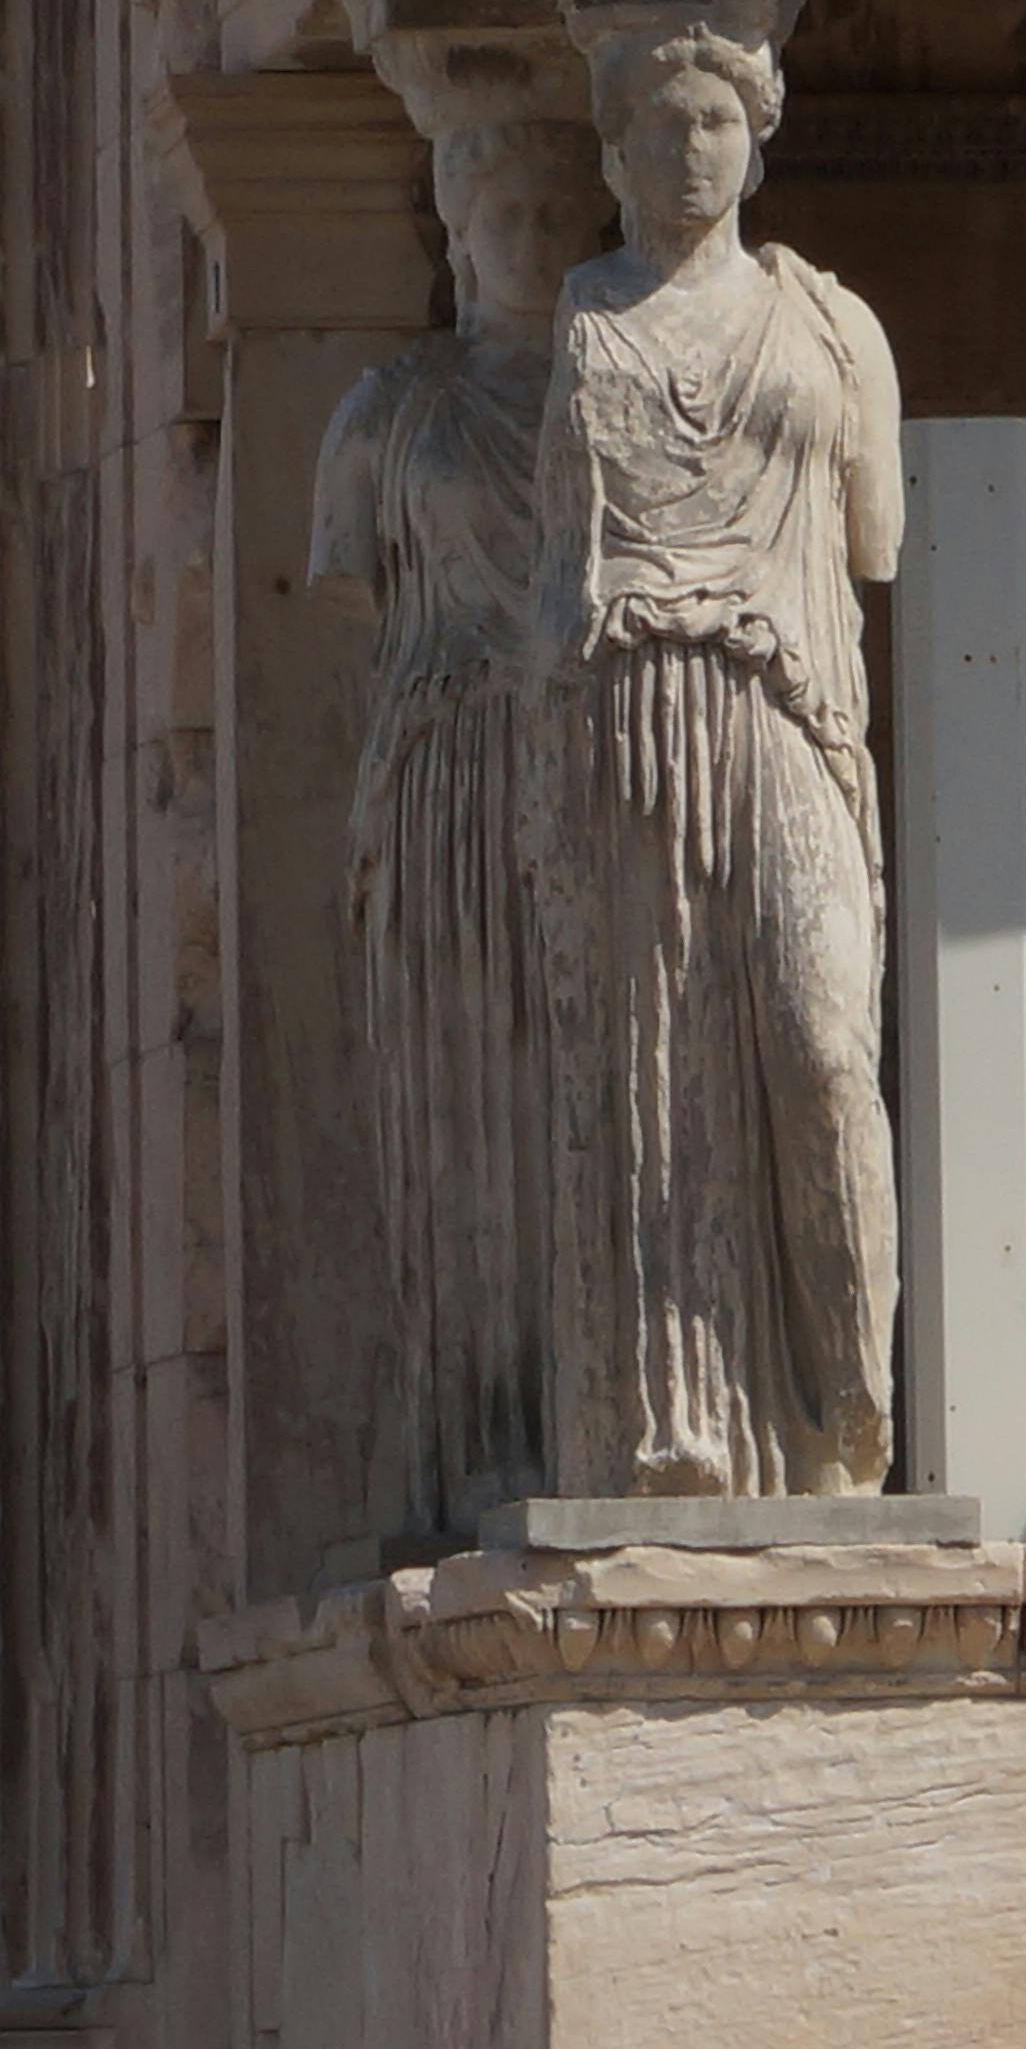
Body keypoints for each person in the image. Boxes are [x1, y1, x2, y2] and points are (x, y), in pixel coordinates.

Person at [532, 24, 905, 1497]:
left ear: (758, 137)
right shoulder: (584, 317)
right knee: (666, 1075)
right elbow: (560, 573)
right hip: (634, 717)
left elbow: (875, 541)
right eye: (664, 122)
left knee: (822, 1045)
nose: (694, 146)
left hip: (791, 707)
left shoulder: (833, 324)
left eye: (718, 119)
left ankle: (854, 1392)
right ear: (616, 149)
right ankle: (695, 1432)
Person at [313, 114, 606, 1534]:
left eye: (560, 216)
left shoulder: (624, 391)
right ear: (456, 225)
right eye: (508, 215)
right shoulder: (389, 411)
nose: (534, 244)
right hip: (443, 773)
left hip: (591, 761)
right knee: (459, 1110)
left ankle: (593, 1416)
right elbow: (355, 593)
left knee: (589, 1091)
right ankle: (468, 1442)